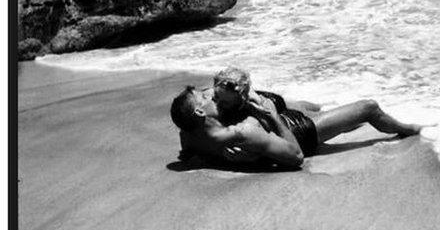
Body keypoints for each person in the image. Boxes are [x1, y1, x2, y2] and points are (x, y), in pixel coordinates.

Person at [170, 67, 422, 169]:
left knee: (311, 109)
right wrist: (272, 118)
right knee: (368, 108)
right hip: (296, 130)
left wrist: (213, 157)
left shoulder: (188, 133)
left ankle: (339, 118)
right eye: (206, 97)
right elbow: (295, 157)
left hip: (269, 111)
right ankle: (412, 129)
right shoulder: (244, 132)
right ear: (201, 112)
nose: (211, 93)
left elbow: (191, 152)